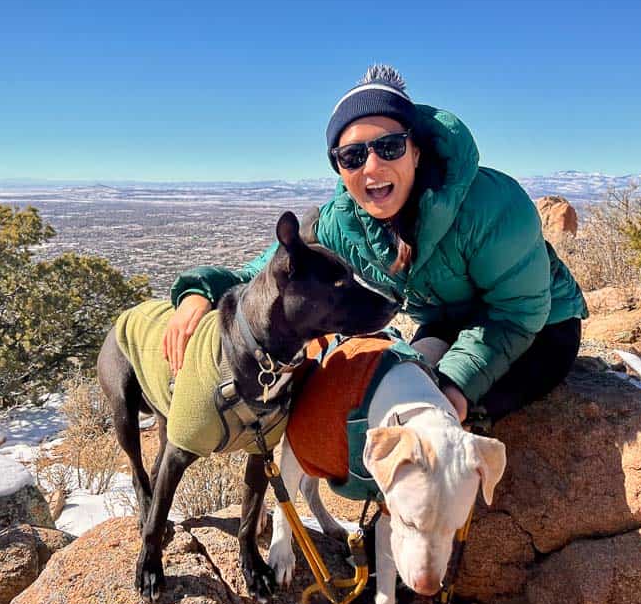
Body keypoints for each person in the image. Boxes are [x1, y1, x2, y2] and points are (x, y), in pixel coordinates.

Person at [162, 65, 588, 424]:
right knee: (388, 399)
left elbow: (519, 313)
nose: (373, 166)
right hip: (448, 324)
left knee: (459, 416)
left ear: (416, 151)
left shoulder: (493, 206)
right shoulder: (343, 223)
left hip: (542, 326)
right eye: (352, 157)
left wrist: (459, 384)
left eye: (389, 147)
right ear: (339, 168)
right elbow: (269, 273)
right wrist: (200, 292)